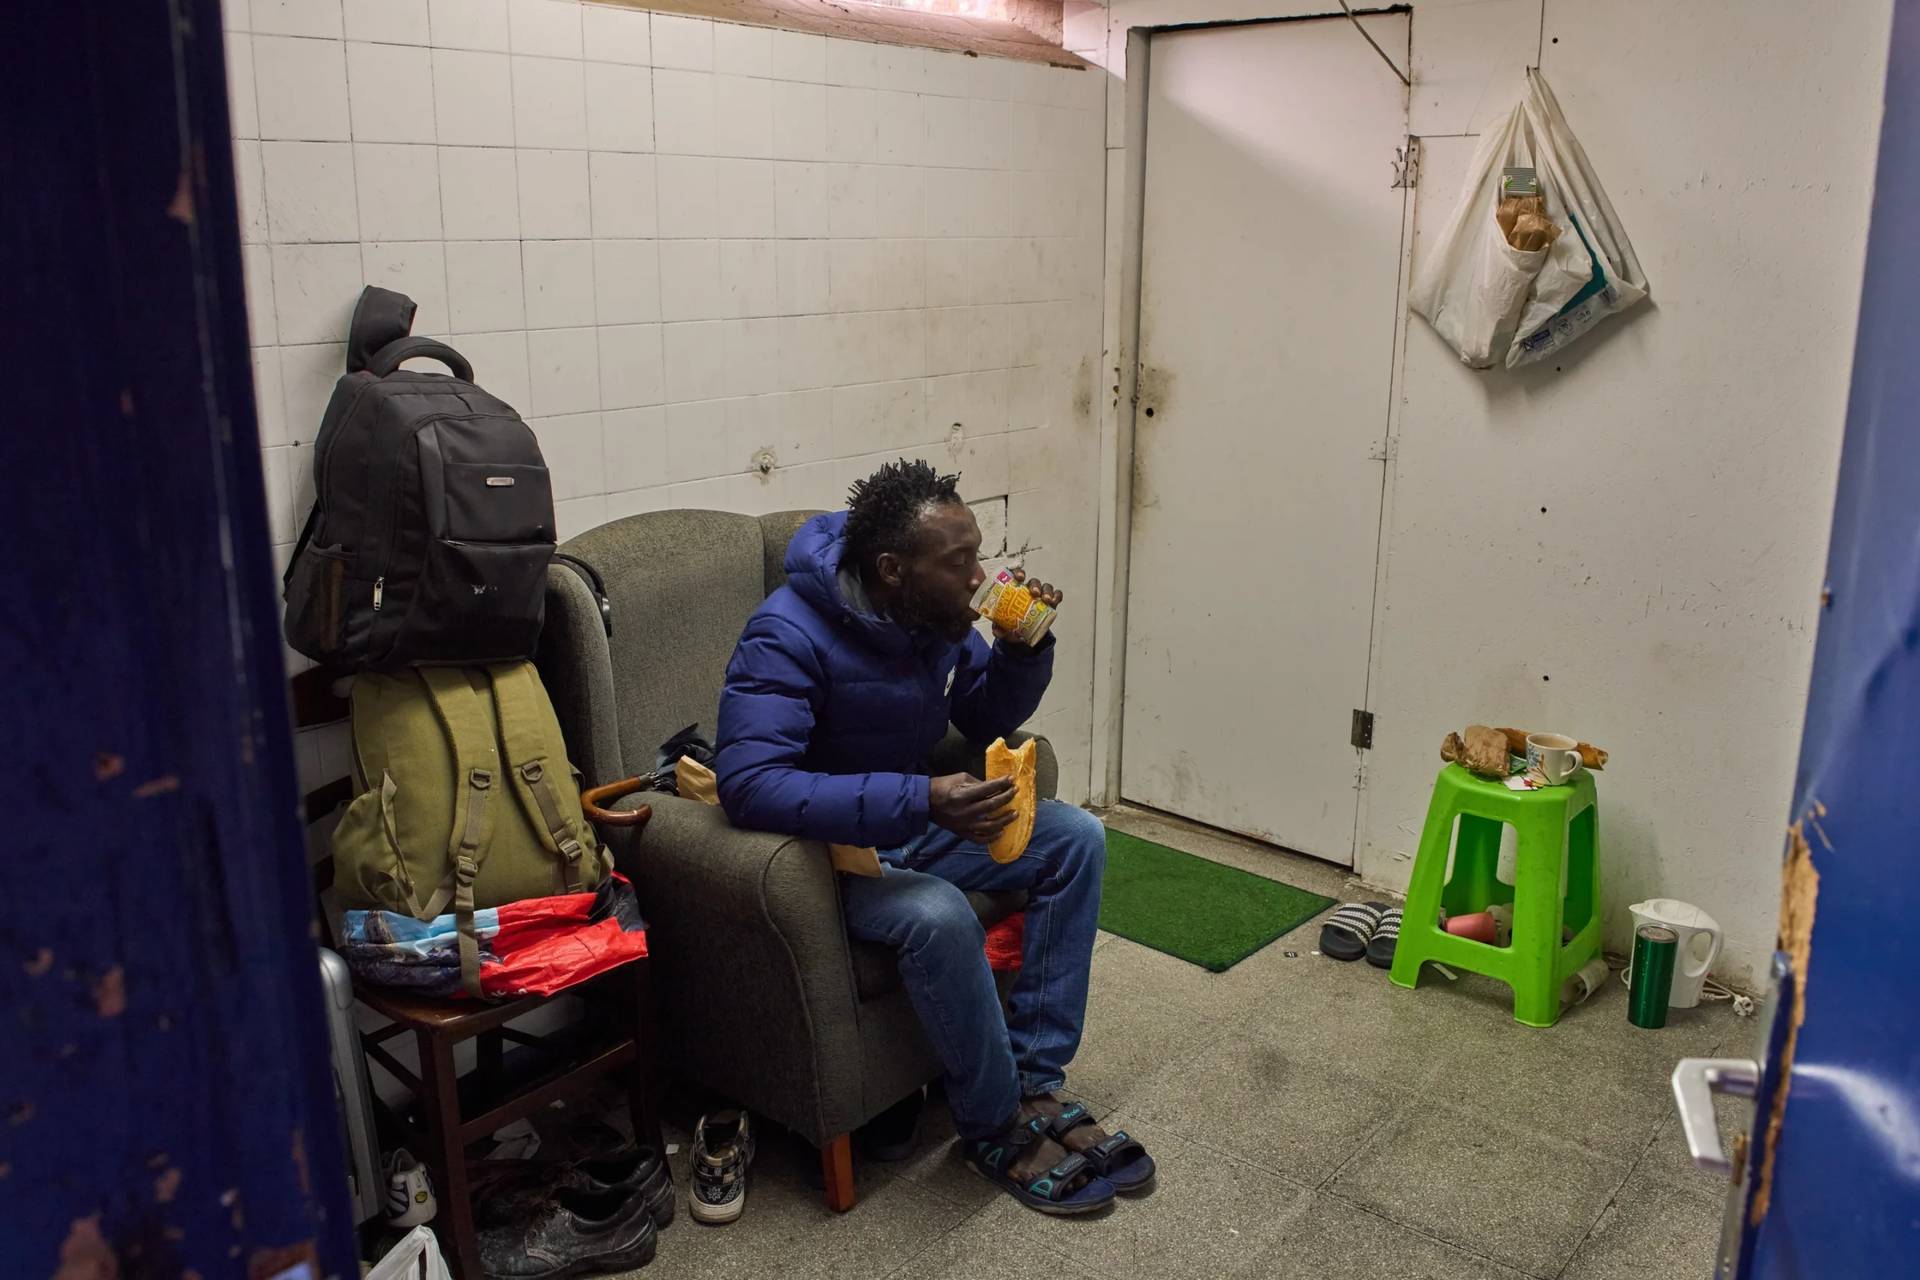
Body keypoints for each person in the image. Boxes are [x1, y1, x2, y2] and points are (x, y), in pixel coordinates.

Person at [713, 459, 1155, 1215]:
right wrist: (918, 796)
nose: (980, 576)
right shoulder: (784, 633)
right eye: (961, 563)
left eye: (978, 554)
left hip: (914, 823)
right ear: (893, 568)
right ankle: (992, 1126)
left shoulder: (931, 620)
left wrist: (1023, 650)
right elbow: (749, 783)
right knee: (938, 912)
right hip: (829, 860)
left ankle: (1034, 1084)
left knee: (1075, 838)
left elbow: (980, 718)